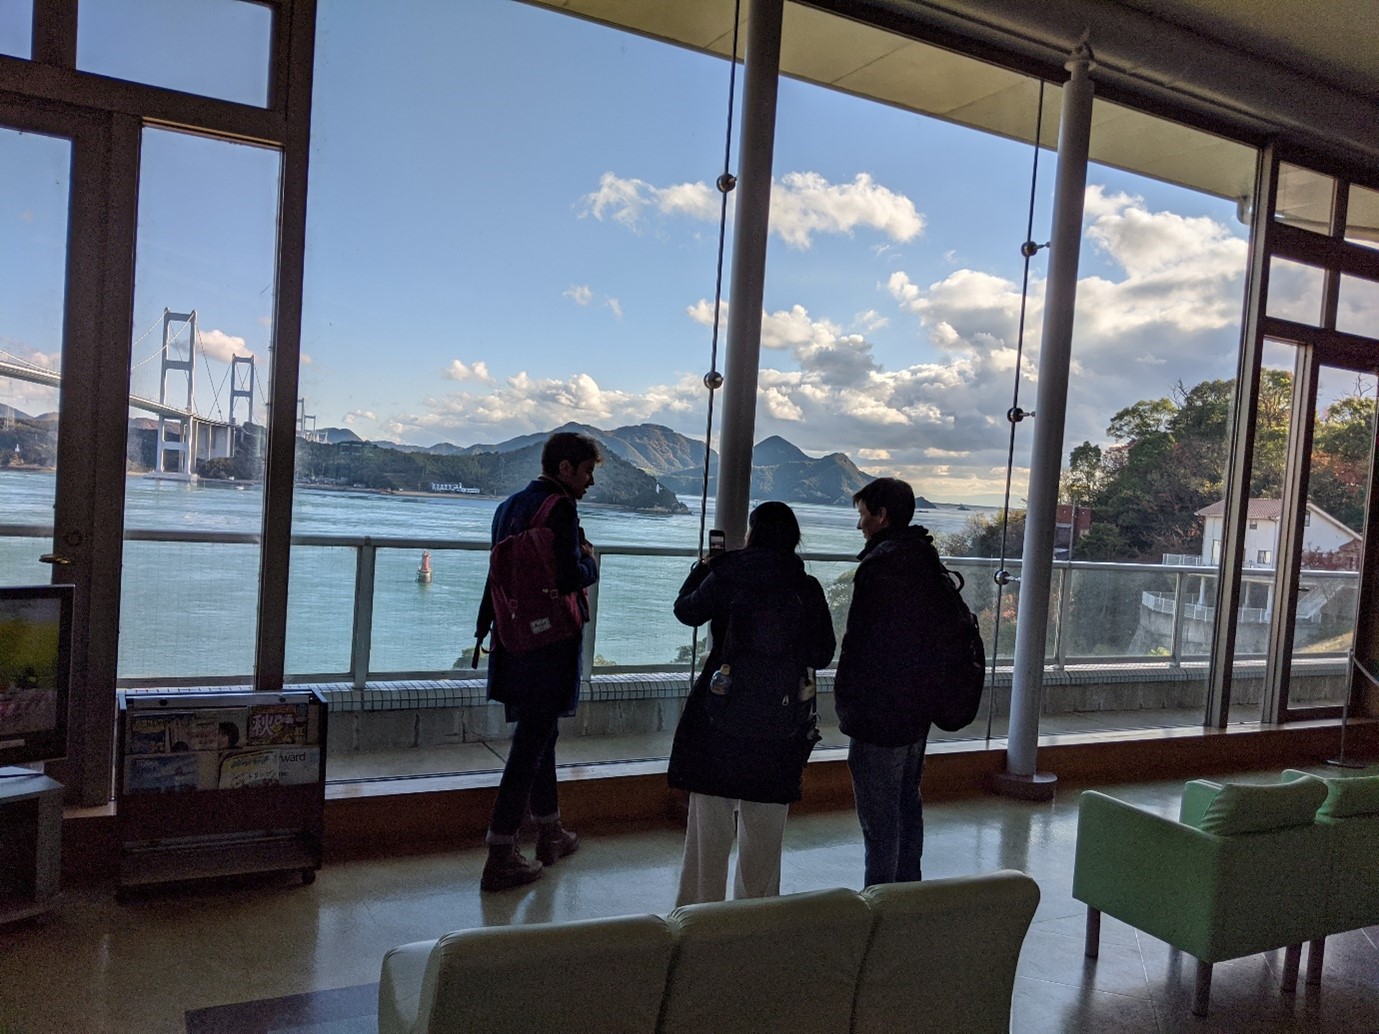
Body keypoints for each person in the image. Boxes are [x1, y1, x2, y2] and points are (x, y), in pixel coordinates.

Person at [668, 501, 837, 905]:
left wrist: (705, 567)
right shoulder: (805, 586)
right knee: (765, 827)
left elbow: (686, 611)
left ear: (752, 532)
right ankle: (756, 914)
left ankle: (698, 911)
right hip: (780, 720)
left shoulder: (728, 574)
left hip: (721, 711)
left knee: (709, 823)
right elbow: (823, 653)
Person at [474, 431, 601, 892]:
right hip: (550, 647)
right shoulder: (562, 509)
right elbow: (570, 577)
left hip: (512, 642)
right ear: (565, 469)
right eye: (586, 472)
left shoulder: (507, 507)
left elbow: (495, 575)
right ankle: (500, 850)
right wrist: (590, 562)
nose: (589, 483)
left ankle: (550, 833)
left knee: (538, 734)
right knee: (530, 745)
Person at [835, 476, 950, 887]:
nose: (859, 525)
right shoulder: (926, 560)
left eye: (864, 515)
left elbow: (862, 646)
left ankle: (880, 902)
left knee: (879, 818)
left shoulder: (880, 567)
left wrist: (848, 702)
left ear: (881, 517)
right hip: (917, 710)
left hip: (879, 713)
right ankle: (906, 895)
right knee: (905, 804)